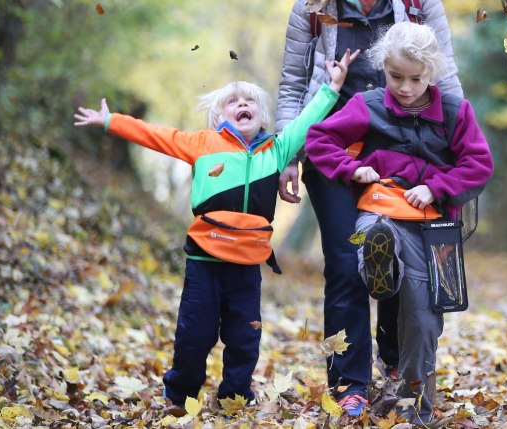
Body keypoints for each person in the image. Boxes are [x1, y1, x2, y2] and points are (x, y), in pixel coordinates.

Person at [73, 50, 358, 411]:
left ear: (261, 115)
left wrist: (331, 88)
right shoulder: (203, 144)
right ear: (218, 116)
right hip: (204, 261)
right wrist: (111, 120)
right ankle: (179, 394)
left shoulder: (277, 149)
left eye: (250, 101)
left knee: (244, 337)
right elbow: (156, 136)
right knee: (195, 334)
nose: (243, 104)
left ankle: (235, 397)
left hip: (246, 266)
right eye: (233, 102)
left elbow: (306, 120)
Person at [276, 0, 464, 418]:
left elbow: (444, 74)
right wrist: (287, 154)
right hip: (332, 151)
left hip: (403, 152)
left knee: (399, 259)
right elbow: (293, 83)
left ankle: (395, 361)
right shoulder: (314, 2)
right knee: (344, 265)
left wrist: (454, 148)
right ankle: (349, 384)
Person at [305, 22, 493, 423]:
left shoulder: (457, 112)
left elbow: (479, 166)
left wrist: (438, 188)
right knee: (377, 233)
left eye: (415, 79)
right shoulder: (368, 105)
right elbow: (319, 140)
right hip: (381, 209)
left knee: (424, 320)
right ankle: (381, 266)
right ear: (383, 69)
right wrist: (352, 169)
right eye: (395, 77)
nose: (405, 88)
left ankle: (413, 404)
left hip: (434, 227)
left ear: (433, 73)